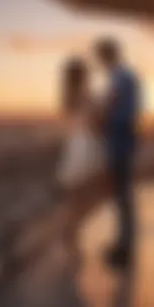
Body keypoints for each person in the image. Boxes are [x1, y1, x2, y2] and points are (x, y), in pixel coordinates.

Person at [56, 57, 110, 264]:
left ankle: (70, 236)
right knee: (83, 198)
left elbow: (90, 116)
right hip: (84, 149)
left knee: (81, 199)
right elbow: (93, 118)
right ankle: (70, 237)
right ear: (80, 75)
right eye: (85, 73)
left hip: (81, 147)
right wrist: (101, 107)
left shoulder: (74, 95)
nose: (88, 75)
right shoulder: (79, 95)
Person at [94, 37, 140, 268]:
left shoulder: (121, 79)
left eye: (100, 56)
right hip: (120, 145)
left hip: (119, 146)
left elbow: (124, 115)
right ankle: (123, 246)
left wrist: (103, 121)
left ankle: (125, 250)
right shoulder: (121, 78)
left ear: (107, 55)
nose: (99, 61)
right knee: (122, 199)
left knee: (122, 199)